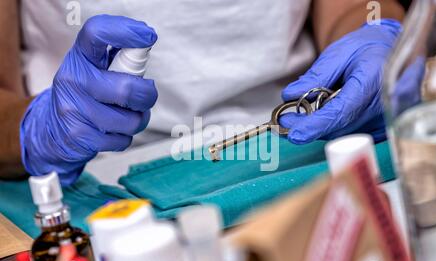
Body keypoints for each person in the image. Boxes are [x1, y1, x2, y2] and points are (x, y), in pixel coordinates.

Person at [0, 0, 405, 185]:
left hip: (300, 150)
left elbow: (359, 7)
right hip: (94, 181)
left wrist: (376, 38)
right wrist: (36, 131)